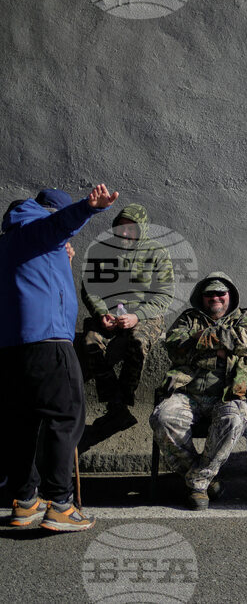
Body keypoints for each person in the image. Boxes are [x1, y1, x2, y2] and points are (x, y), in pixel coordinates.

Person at [1, 185, 119, 532]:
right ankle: (61, 504)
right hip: (47, 342)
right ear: (48, 211)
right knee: (66, 416)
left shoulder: (10, 241)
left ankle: (25, 502)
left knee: (23, 422)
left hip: (10, 349)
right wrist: (89, 206)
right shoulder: (38, 226)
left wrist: (59, 259)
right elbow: (58, 226)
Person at [149, 272, 247, 511]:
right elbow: (173, 346)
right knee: (162, 418)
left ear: (230, 295)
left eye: (220, 293)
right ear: (201, 297)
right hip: (187, 394)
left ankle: (197, 482)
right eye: (209, 294)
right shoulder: (188, 318)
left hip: (229, 393)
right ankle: (205, 480)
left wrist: (198, 343)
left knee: (236, 419)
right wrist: (225, 345)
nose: (215, 298)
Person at [79, 203, 174, 448]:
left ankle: (124, 399)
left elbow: (164, 295)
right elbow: (90, 289)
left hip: (145, 317)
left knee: (137, 341)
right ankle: (116, 407)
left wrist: (137, 316)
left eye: (130, 229)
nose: (124, 233)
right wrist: (101, 314)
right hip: (110, 315)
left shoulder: (157, 252)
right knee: (90, 342)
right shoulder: (102, 251)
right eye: (120, 228)